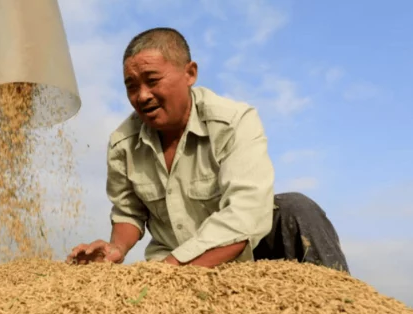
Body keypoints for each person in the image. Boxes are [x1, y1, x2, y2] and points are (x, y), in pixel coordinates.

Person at [67, 27, 350, 274]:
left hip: (241, 258)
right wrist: (116, 247)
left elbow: (246, 212)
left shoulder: (233, 121)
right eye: (131, 86)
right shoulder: (123, 144)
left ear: (190, 73)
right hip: (169, 269)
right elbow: (129, 212)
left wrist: (175, 269)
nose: (142, 95)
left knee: (296, 209)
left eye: (152, 80)